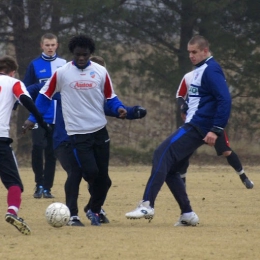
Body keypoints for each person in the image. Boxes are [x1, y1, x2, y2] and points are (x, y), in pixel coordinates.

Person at [125, 35, 232, 226]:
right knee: (172, 170)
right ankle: (187, 214)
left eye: (195, 52)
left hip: (198, 126)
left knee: (161, 154)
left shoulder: (211, 69)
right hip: (196, 123)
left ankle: (147, 204)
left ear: (205, 51)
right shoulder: (200, 70)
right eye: (189, 52)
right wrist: (186, 106)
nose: (191, 56)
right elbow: (204, 98)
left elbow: (225, 99)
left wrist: (216, 129)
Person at [23, 34, 127, 226]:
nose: (81, 59)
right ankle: (73, 214)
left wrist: (122, 110)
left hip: (96, 132)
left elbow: (109, 101)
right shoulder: (63, 74)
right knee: (78, 172)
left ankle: (93, 208)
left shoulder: (99, 75)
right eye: (78, 55)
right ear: (72, 53)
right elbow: (42, 93)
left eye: (85, 55)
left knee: (102, 179)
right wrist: (32, 118)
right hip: (66, 137)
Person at [176, 71, 254, 188]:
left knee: (226, 151)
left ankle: (244, 178)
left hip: (211, 123)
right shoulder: (188, 76)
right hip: (193, 123)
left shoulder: (214, 76)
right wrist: (183, 107)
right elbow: (180, 95)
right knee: (184, 153)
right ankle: (182, 183)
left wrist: (221, 119)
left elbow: (223, 98)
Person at [0, 55, 50, 235]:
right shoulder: (14, 83)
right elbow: (27, 100)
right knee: (14, 184)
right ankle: (12, 211)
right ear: (13, 71)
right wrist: (41, 121)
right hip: (0, 139)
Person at [23, 33, 66, 199]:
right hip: (38, 115)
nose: (50, 48)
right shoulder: (34, 64)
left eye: (53, 45)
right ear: (42, 46)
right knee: (37, 148)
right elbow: (25, 89)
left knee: (51, 152)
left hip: (57, 115)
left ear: (57, 45)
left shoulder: (64, 64)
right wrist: (40, 86)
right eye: (47, 45)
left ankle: (47, 187)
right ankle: (38, 184)